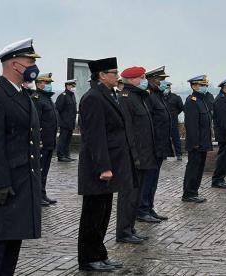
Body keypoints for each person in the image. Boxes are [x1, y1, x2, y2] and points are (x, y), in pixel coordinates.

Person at [0, 38, 42, 276]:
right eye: (30, 61)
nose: (34, 66)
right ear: (15, 64)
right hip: (4, 183)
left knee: (13, 239)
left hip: (23, 180)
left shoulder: (22, 94)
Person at [78, 57, 131, 272]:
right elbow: (94, 136)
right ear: (101, 75)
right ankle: (88, 258)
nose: (117, 76)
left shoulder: (108, 94)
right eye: (113, 72)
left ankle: (100, 254)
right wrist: (103, 167)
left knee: (103, 213)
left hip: (110, 165)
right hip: (98, 169)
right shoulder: (93, 98)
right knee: (92, 214)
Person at [116, 66, 155, 244]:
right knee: (128, 197)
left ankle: (130, 229)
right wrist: (134, 156)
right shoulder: (126, 99)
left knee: (136, 196)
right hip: (133, 157)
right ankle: (123, 232)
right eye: (141, 77)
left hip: (143, 156)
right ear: (131, 80)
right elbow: (128, 132)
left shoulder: (139, 97)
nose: (144, 80)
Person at [137, 66, 173, 223]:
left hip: (160, 145)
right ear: (152, 80)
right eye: (161, 80)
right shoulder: (149, 97)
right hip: (151, 146)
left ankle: (149, 207)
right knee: (147, 180)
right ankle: (142, 209)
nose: (164, 83)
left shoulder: (159, 96)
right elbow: (148, 123)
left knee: (153, 180)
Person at [182, 75, 212, 203]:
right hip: (196, 143)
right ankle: (188, 193)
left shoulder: (202, 100)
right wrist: (194, 143)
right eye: (202, 85)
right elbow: (192, 124)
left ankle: (194, 191)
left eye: (205, 85)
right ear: (194, 86)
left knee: (199, 168)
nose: (204, 87)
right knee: (193, 168)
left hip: (203, 141)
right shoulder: (192, 101)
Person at [32, 73, 58, 206]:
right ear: (38, 84)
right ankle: (36, 196)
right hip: (42, 141)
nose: (48, 85)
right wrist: (39, 140)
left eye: (49, 83)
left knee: (45, 169)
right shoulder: (37, 98)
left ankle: (42, 193)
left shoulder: (48, 98)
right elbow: (36, 122)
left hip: (49, 141)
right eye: (46, 83)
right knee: (39, 169)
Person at [55, 79, 77, 162]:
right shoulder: (63, 96)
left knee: (68, 140)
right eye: (71, 86)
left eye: (73, 86)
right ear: (67, 86)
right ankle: (61, 155)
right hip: (64, 123)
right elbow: (58, 109)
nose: (73, 87)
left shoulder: (72, 95)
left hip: (70, 123)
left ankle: (66, 155)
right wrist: (60, 121)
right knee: (63, 139)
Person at [164, 81, 184, 160]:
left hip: (173, 122)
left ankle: (178, 154)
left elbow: (181, 108)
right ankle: (164, 154)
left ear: (170, 88)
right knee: (163, 139)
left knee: (176, 138)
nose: (166, 89)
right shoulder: (159, 97)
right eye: (165, 87)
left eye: (168, 87)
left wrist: (175, 114)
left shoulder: (175, 97)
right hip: (163, 123)